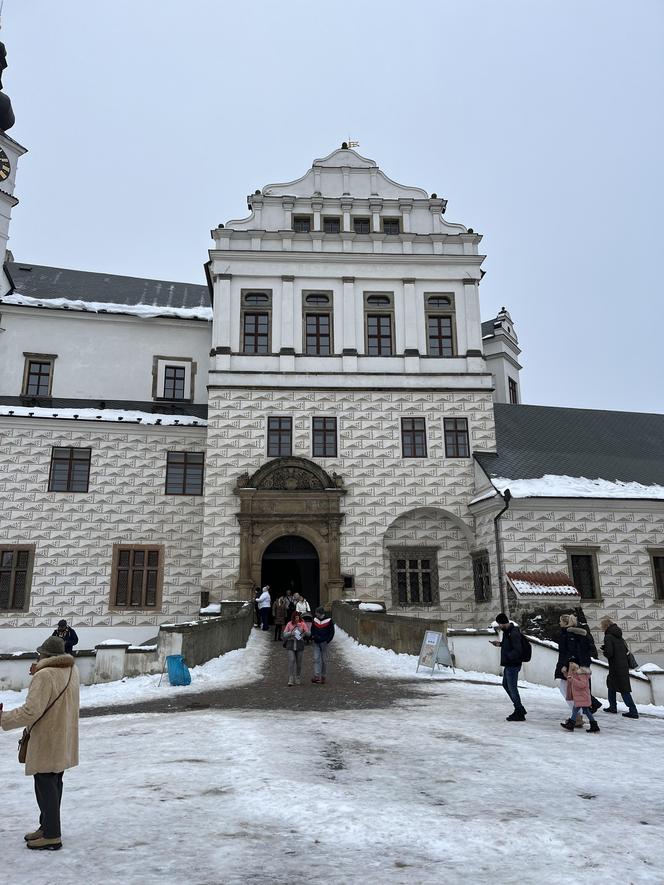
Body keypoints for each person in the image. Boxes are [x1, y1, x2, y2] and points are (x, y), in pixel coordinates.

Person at [0, 635, 80, 850]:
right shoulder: (72, 669)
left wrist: (3, 718)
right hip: (63, 736)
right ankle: (46, 826)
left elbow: (30, 711)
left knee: (45, 784)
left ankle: (52, 835)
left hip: (47, 737)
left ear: (44, 655)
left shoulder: (44, 675)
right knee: (54, 783)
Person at [554, 613, 601, 727]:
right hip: (575, 665)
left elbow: (570, 652)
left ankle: (578, 717)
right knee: (572, 692)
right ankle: (580, 717)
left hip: (571, 666)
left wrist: (565, 665)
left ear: (566, 623)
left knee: (569, 692)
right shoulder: (578, 634)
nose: (559, 623)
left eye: (561, 621)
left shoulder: (570, 635)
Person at [490, 612, 527, 721]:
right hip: (509, 664)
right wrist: (500, 644)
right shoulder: (508, 632)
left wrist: (508, 656)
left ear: (504, 623)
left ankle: (519, 711)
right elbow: (509, 645)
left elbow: (517, 650)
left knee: (512, 688)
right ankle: (519, 708)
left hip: (513, 665)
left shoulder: (513, 633)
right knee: (506, 685)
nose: (499, 627)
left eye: (500, 624)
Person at [600, 617, 639, 719]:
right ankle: (612, 707)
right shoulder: (619, 636)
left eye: (602, 626)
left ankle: (633, 710)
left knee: (623, 689)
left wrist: (604, 651)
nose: (601, 628)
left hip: (615, 666)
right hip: (623, 665)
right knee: (611, 684)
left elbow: (610, 653)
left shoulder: (608, 636)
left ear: (606, 626)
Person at [560, 659, 600, 733]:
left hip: (583, 697)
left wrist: (572, 680)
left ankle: (571, 724)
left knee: (580, 710)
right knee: (584, 711)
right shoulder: (576, 673)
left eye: (573, 666)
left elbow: (582, 684)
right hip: (580, 697)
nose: (571, 669)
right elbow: (570, 678)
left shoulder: (582, 674)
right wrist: (565, 672)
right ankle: (594, 725)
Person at [282, 611, 310, 686]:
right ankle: (291, 678)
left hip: (299, 644)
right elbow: (284, 634)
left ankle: (298, 677)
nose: (297, 619)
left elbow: (308, 633)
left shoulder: (303, 624)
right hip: (291, 643)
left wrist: (304, 632)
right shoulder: (289, 624)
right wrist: (291, 633)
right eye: (295, 617)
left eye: (298, 617)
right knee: (291, 660)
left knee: (299, 663)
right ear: (293, 618)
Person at [310, 606, 335, 684]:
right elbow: (312, 629)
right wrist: (313, 636)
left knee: (324, 660)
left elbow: (332, 632)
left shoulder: (329, 620)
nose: (315, 614)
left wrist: (327, 641)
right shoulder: (315, 620)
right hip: (317, 642)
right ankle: (316, 675)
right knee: (316, 659)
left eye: (316, 612)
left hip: (324, 642)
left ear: (320, 613)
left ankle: (323, 676)